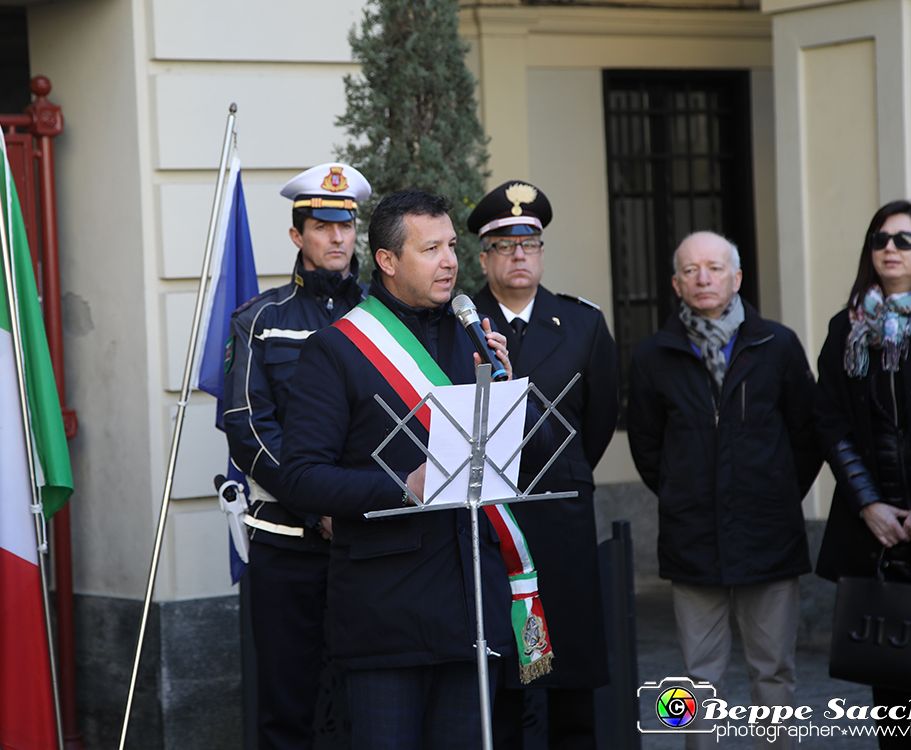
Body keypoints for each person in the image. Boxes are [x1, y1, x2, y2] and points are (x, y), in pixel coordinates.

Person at [278, 189, 552, 750]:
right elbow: (301, 476)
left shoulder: (472, 338)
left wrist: (507, 384)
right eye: (431, 249)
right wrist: (402, 487)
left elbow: (538, 454)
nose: (450, 260)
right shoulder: (338, 349)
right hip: (387, 614)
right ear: (387, 260)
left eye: (452, 245)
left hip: (472, 607)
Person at [628, 230, 820, 750]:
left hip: (769, 535)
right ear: (675, 283)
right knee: (695, 683)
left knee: (774, 674)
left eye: (714, 268)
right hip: (692, 538)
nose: (703, 278)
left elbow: (807, 434)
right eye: (691, 270)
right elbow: (647, 446)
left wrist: (775, 492)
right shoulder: (653, 356)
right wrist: (682, 491)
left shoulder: (776, 345)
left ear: (737, 278)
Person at [221, 162, 370, 750]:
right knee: (287, 711)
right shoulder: (260, 320)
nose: (337, 239)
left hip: (368, 541)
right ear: (297, 236)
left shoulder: (381, 318)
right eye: (322, 226)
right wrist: (319, 504)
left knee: (372, 702)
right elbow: (248, 429)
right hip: (288, 544)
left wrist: (350, 502)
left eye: (347, 227)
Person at [467, 181, 618, 750]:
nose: (519, 256)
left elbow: (600, 419)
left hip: (560, 514)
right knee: (502, 676)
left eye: (529, 244)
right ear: (484, 258)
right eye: (504, 246)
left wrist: (559, 471)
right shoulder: (461, 324)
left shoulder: (580, 323)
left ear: (542, 252)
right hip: (489, 521)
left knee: (568, 676)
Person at [814, 201, 911, 749]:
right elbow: (828, 420)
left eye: (904, 239)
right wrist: (868, 503)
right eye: (880, 239)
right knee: (892, 688)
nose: (889, 250)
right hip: (876, 530)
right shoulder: (845, 326)